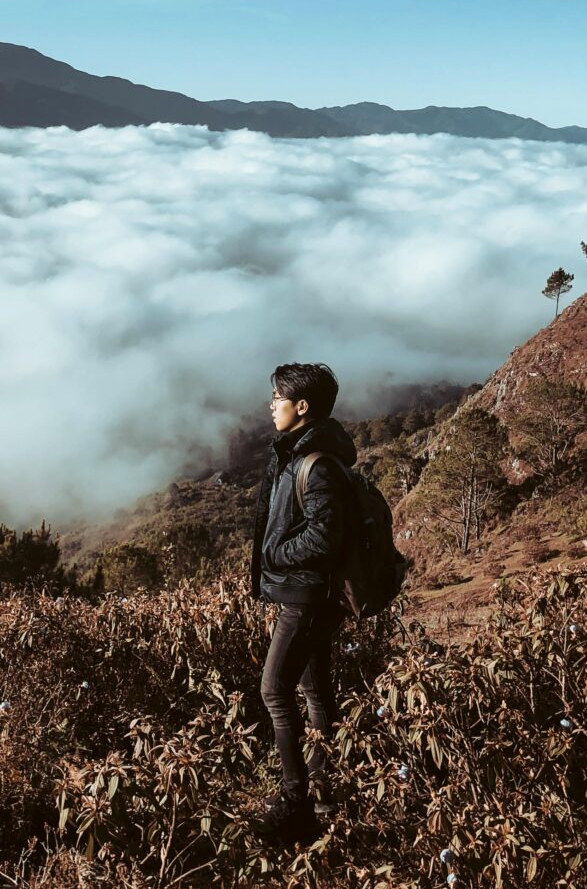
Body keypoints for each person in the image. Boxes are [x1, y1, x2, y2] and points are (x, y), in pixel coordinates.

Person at [249, 361, 356, 843]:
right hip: (311, 593)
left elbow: (325, 535)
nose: (272, 405)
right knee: (314, 692)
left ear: (302, 407)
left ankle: (296, 801)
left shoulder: (316, 465)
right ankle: (325, 790)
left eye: (278, 397)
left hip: (308, 597)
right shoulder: (303, 454)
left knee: (274, 690)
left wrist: (275, 553)